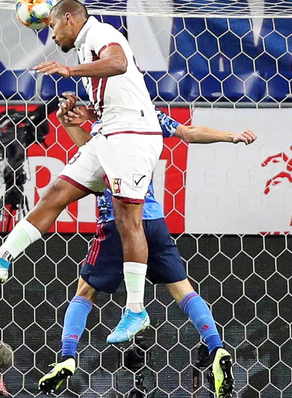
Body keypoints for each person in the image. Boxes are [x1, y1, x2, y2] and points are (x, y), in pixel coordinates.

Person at [0, 0, 164, 344]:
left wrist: (70, 72)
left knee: (127, 219)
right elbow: (117, 92)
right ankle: (2, 258)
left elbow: (118, 62)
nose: (51, 36)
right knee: (56, 192)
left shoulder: (101, 32)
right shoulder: (85, 49)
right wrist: (81, 110)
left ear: (69, 18)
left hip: (133, 137)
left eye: (52, 26)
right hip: (109, 133)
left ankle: (136, 310)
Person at [37, 97, 256, 398]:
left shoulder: (109, 121)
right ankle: (216, 347)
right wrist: (230, 136)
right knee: (184, 290)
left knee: (85, 292)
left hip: (120, 221)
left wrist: (73, 126)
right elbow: (190, 133)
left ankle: (67, 356)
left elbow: (93, 158)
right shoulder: (150, 116)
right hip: (154, 220)